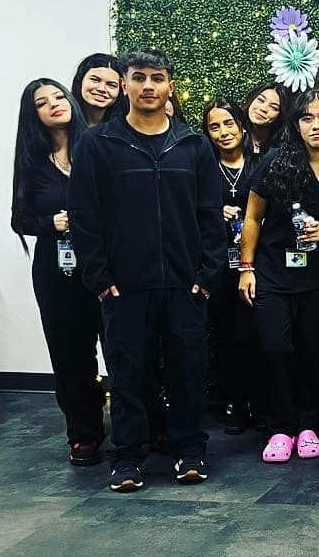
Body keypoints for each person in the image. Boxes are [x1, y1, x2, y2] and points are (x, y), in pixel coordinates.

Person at [69, 49, 225, 492]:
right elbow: (85, 217)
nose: (149, 86)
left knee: (188, 371)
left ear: (170, 87)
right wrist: (100, 279)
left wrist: (207, 276)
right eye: (139, 78)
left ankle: (190, 451)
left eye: (157, 78)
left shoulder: (193, 145)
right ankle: (128, 458)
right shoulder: (98, 146)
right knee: (128, 372)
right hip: (124, 286)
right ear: (125, 85)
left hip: (185, 284)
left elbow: (211, 217)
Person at [238, 89, 319, 464]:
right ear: (297, 124)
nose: (316, 125)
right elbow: (252, 217)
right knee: (275, 347)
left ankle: (308, 426)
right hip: (272, 274)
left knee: (313, 352)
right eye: (307, 118)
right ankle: (279, 427)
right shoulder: (275, 161)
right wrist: (246, 268)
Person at [10, 78, 105, 465]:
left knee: (123, 348)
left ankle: (144, 427)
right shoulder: (31, 161)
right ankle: (83, 435)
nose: (53, 104)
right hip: (56, 269)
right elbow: (20, 219)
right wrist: (53, 223)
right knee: (70, 355)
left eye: (58, 96)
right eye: (41, 102)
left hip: (104, 265)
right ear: (33, 115)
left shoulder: (97, 147)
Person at [202, 98, 262, 435]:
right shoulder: (205, 166)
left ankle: (259, 401)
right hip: (217, 265)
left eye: (228, 124)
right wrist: (213, 212)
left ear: (241, 126)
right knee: (224, 335)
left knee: (255, 332)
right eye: (214, 126)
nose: (223, 132)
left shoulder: (260, 163)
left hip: (256, 264)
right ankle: (233, 402)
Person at [70, 53, 121, 127]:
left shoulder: (124, 128)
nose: (101, 89)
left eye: (111, 85)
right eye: (95, 80)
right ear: (80, 80)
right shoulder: (62, 122)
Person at [242, 81, 288, 155]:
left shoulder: (283, 149)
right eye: (260, 100)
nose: (263, 109)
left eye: (273, 107)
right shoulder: (231, 135)